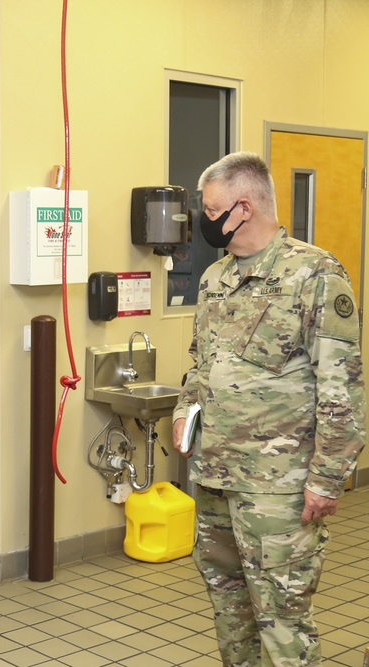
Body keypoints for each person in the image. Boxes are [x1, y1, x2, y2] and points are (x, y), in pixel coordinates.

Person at [172, 151, 365, 667]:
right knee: (229, 608)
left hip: (277, 484)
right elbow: (200, 363)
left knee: (281, 618)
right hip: (215, 475)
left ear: (242, 208)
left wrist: (326, 480)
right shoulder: (215, 278)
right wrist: (183, 410)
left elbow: (342, 387)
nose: (202, 219)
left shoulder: (314, 274)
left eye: (209, 208)